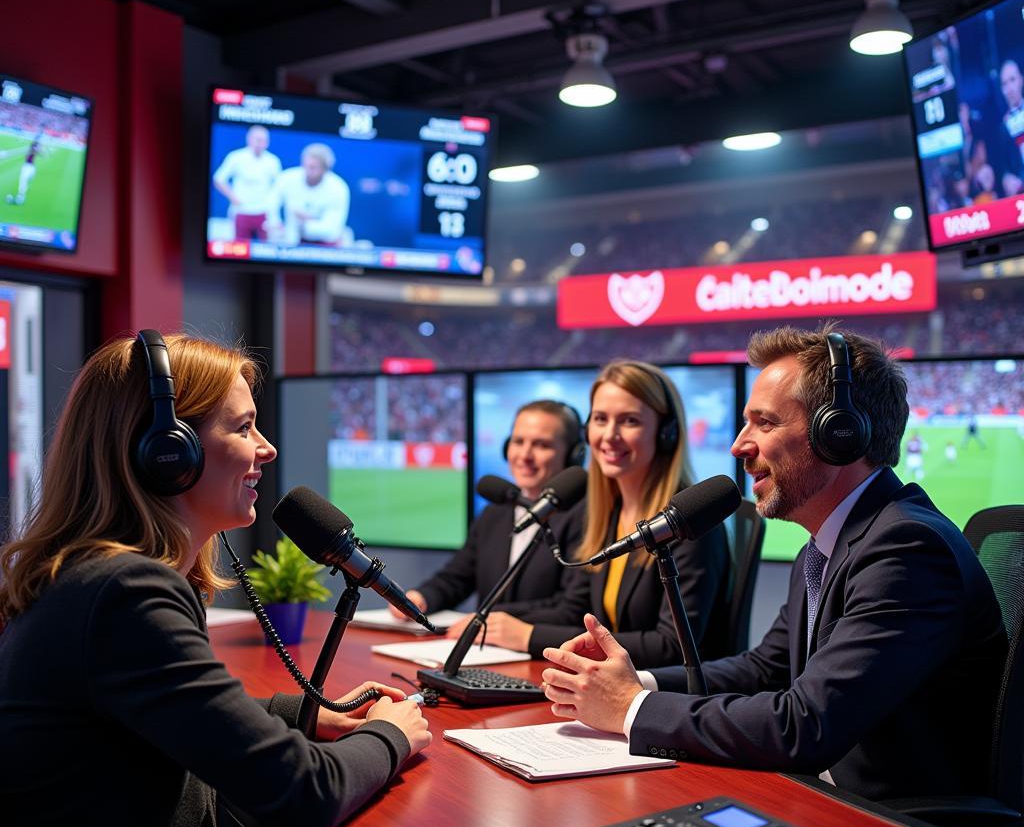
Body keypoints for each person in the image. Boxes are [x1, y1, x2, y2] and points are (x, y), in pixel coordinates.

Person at [0, 332, 431, 827]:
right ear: (167, 453)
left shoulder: (91, 580)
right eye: (244, 426)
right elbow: (303, 792)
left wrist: (311, 714)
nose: (267, 449)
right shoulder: (125, 595)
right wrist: (393, 735)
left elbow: (175, 717)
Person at [540, 327, 1005, 802]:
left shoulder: (907, 549)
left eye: (764, 423)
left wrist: (632, 709)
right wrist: (633, 682)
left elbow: (805, 725)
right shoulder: (824, 546)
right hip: (825, 801)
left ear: (839, 433)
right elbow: (765, 669)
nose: (739, 446)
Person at [465, 360, 730, 669]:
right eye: (601, 419)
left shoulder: (687, 521)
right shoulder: (607, 513)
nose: (609, 435)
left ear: (666, 433)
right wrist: (501, 624)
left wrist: (530, 636)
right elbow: (577, 609)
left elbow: (672, 646)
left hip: (669, 702)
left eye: (629, 421)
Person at [391, 399, 586, 620]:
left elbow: (572, 606)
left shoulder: (585, 516)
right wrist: (421, 598)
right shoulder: (495, 513)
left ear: (574, 454)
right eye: (518, 441)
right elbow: (458, 576)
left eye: (541, 445)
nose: (525, 455)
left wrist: (489, 619)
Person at [266, 142, 351, 246]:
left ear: (325, 169)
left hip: (327, 246)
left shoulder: (338, 188)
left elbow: (331, 230)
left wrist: (306, 222)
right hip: (293, 242)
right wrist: (274, 221)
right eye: (305, 165)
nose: (306, 171)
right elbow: (272, 201)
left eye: (313, 167)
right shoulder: (287, 178)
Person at [211, 124, 282, 240]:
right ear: (249, 139)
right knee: (240, 248)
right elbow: (218, 179)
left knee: (264, 250)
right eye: (258, 140)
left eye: (264, 140)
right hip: (241, 211)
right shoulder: (236, 157)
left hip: (264, 212)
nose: (261, 143)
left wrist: (275, 217)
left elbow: (278, 188)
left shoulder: (273, 161)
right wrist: (233, 197)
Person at [996, 59, 1024, 197]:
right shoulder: (1003, 127)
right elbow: (1003, 167)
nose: (1009, 89)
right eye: (1004, 84)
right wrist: (1006, 178)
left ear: (1021, 80)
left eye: (1012, 80)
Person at [4, 130, 43, 206]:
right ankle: (21, 196)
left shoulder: (34, 148)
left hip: (28, 167)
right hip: (30, 167)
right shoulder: (33, 147)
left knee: (23, 180)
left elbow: (37, 152)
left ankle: (21, 197)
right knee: (24, 181)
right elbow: (36, 151)